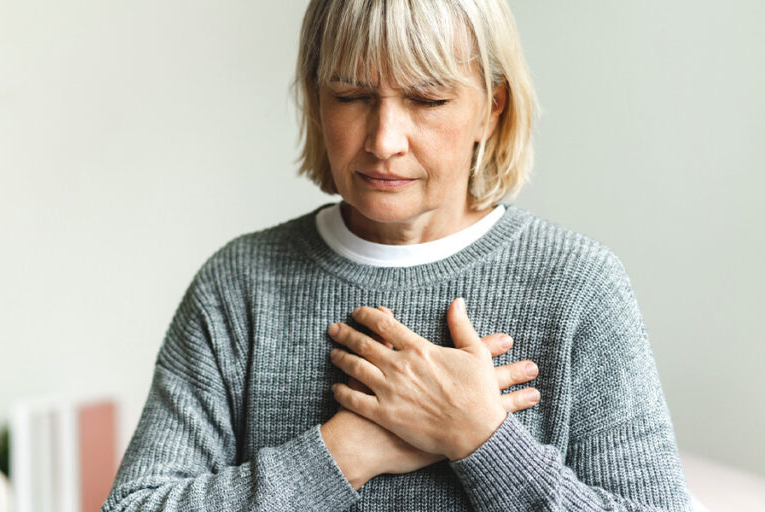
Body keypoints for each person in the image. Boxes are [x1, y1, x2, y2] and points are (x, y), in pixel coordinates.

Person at [102, 0, 693, 510]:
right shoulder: (239, 286)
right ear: (316, 100)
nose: (384, 141)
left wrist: (481, 437)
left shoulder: (579, 287)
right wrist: (347, 451)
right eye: (352, 95)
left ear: (492, 106)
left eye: (427, 100)